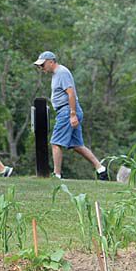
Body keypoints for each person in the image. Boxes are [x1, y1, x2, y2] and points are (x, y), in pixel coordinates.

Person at [33, 51, 109, 180]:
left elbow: (71, 94)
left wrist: (72, 114)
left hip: (67, 111)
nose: (41, 68)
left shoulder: (61, 73)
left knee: (55, 142)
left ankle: (56, 175)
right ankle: (101, 169)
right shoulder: (56, 74)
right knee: (77, 145)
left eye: (43, 64)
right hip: (67, 110)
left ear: (51, 61)